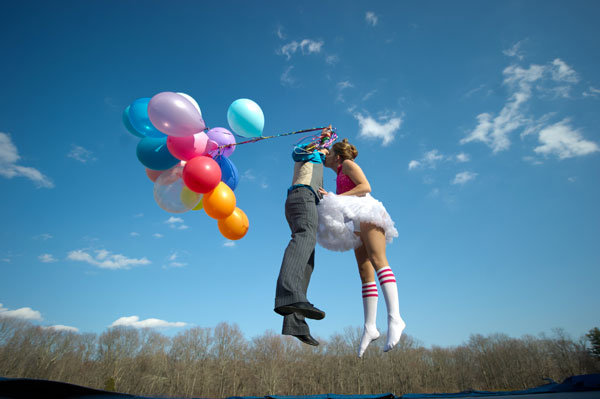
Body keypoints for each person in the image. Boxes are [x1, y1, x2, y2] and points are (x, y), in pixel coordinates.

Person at [317, 138, 405, 357]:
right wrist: (324, 138)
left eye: (328, 154)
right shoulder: (336, 171)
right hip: (354, 218)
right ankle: (369, 327)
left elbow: (366, 186)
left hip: (367, 211)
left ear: (337, 157)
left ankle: (395, 317)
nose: (324, 157)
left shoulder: (347, 165)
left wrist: (335, 197)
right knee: (364, 272)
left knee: (378, 260)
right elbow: (322, 151)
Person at [274, 128, 332, 346]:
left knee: (308, 259)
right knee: (303, 239)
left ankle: (295, 322)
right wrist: (321, 144)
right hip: (301, 197)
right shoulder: (308, 153)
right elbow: (296, 152)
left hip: (308, 200)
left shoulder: (318, 165)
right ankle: (288, 293)